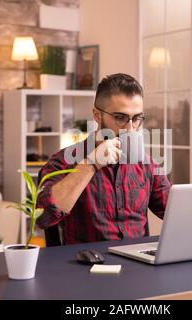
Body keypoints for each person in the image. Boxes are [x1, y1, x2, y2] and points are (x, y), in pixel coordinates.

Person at [37, 73, 172, 245]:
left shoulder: (146, 164)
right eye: (121, 118)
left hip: (138, 267)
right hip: (87, 266)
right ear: (97, 115)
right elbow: (43, 216)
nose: (131, 128)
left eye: (137, 119)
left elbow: (175, 212)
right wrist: (90, 165)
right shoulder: (64, 161)